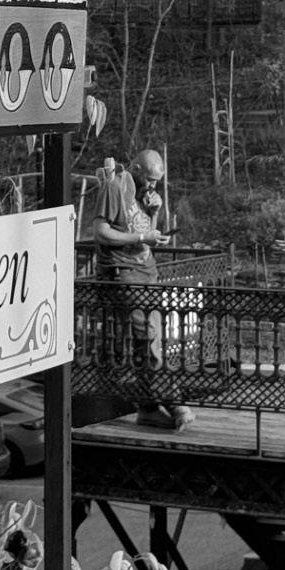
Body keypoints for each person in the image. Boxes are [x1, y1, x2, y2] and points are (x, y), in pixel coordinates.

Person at [92, 150, 193, 430]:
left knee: (154, 340)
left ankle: (148, 408)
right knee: (146, 337)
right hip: (123, 272)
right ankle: (173, 401)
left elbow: (147, 235)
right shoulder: (115, 187)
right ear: (136, 168)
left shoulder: (144, 195)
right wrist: (141, 236)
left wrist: (155, 214)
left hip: (147, 271)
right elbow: (100, 231)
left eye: (157, 181)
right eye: (150, 179)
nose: (153, 185)